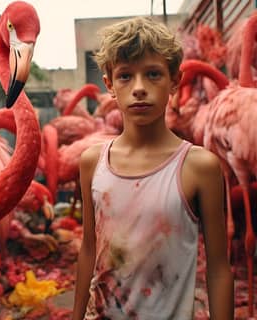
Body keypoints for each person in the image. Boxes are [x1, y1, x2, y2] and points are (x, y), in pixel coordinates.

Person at [72, 16, 234, 320]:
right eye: (125, 77)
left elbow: (219, 268)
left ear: (174, 80)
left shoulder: (199, 167)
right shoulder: (92, 162)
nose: (139, 88)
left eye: (153, 74)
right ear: (108, 84)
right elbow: (88, 250)